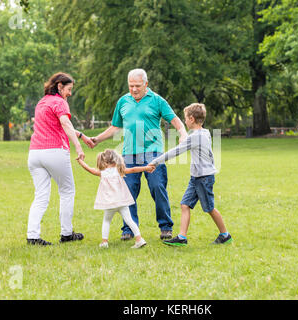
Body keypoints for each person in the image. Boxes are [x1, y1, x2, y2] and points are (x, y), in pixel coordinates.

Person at [91, 69, 188, 240]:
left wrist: (183, 133)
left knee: (158, 187)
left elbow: (174, 119)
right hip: (128, 154)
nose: (134, 89)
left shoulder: (157, 100)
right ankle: (128, 229)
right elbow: (115, 127)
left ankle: (165, 226)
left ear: (146, 84)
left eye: (137, 86)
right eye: (131, 86)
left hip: (153, 152)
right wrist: (97, 139)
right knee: (127, 192)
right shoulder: (123, 101)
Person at [148, 103, 232, 246]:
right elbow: (187, 144)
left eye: (185, 118)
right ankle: (182, 237)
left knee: (209, 208)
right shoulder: (204, 133)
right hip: (196, 177)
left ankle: (225, 235)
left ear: (191, 119)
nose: (184, 121)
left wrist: (155, 162)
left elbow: (175, 151)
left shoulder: (196, 137)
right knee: (185, 204)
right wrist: (184, 140)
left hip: (203, 178)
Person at [26, 72, 95, 246]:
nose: (70, 93)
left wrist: (82, 136)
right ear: (59, 86)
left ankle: (32, 236)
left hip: (34, 153)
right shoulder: (59, 102)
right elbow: (65, 123)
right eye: (69, 89)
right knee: (67, 191)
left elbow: (56, 125)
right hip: (54, 151)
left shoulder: (42, 102)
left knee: (40, 196)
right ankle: (66, 233)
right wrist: (78, 147)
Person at [77, 149, 155, 249]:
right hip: (122, 202)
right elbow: (133, 169)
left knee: (107, 221)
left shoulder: (102, 173)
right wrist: (146, 168)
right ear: (116, 160)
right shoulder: (119, 170)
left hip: (109, 203)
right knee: (130, 220)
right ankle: (139, 239)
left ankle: (104, 242)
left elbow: (89, 169)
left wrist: (80, 161)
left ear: (103, 161)